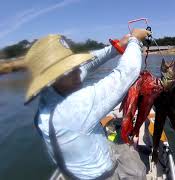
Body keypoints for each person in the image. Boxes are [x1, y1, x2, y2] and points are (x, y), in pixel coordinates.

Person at [24, 29, 151, 179]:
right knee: (137, 170)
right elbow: (127, 72)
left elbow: (87, 65)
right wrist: (135, 40)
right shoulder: (73, 108)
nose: (78, 71)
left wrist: (116, 47)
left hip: (76, 170)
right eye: (69, 69)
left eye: (73, 65)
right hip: (102, 175)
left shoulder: (49, 94)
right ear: (51, 79)